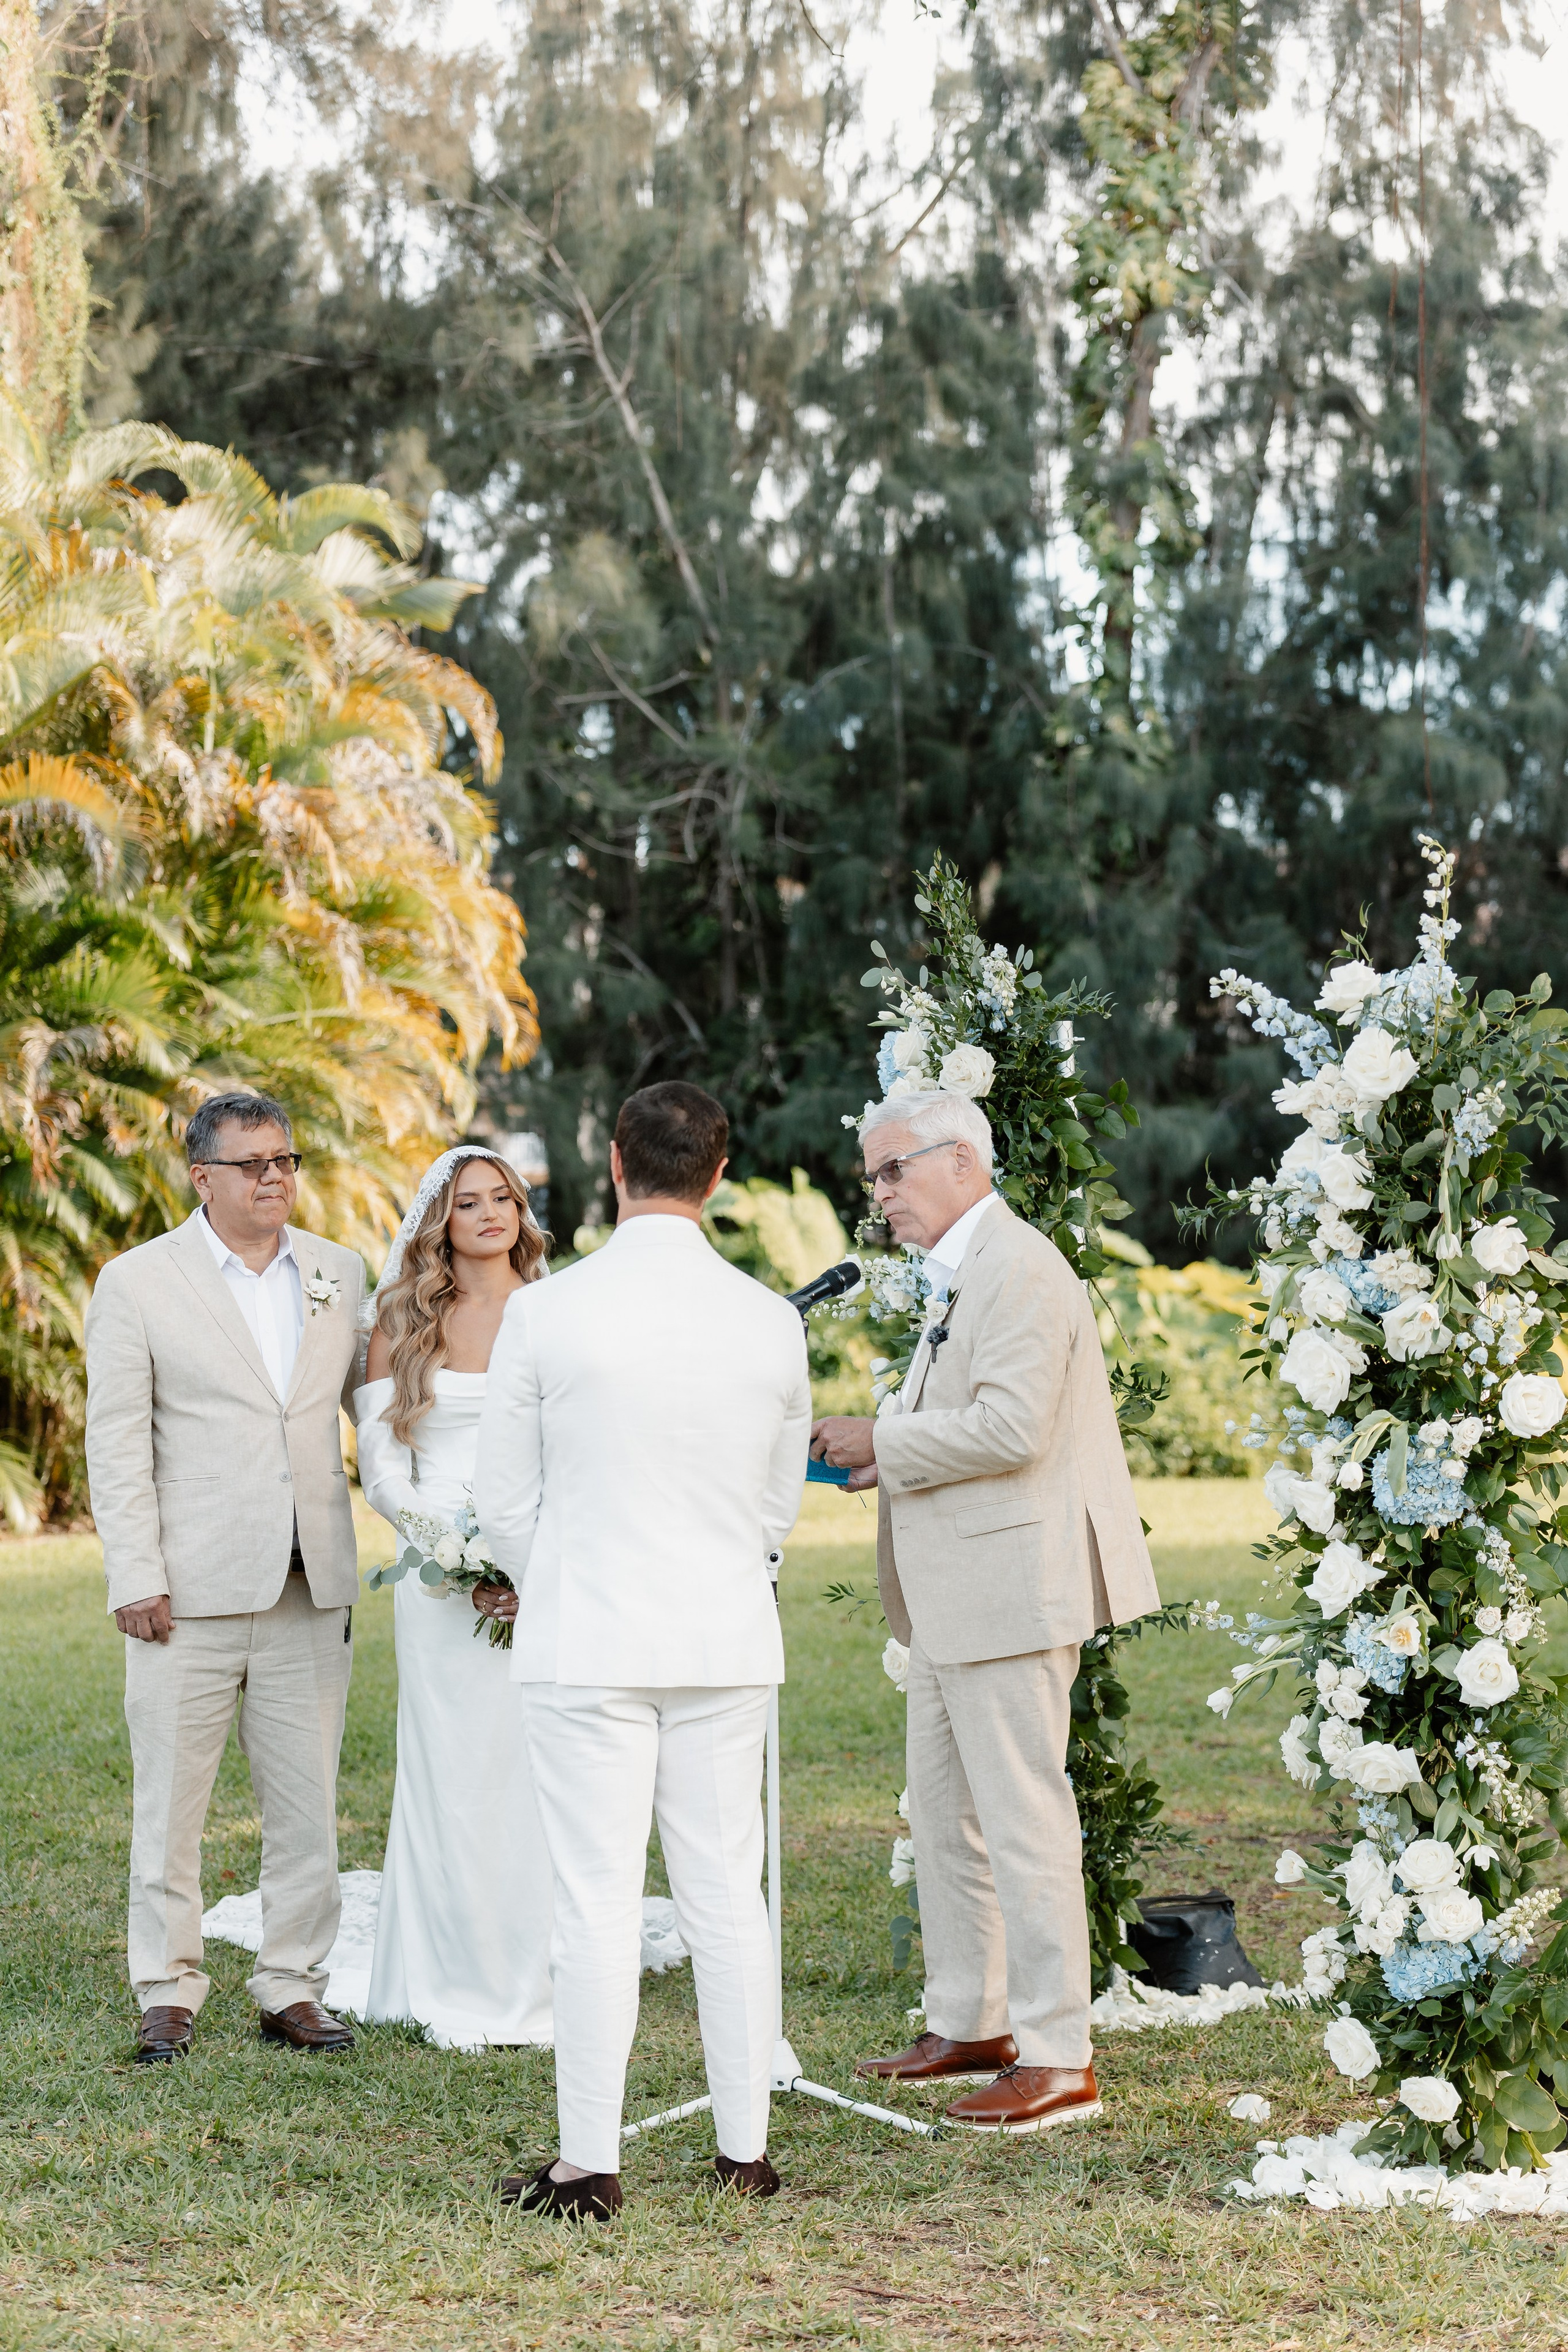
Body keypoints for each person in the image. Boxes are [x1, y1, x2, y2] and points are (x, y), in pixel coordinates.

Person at [474, 1081, 812, 2221]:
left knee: (597, 1902)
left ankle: (590, 2163)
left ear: (617, 1162)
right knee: (727, 1894)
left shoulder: (546, 1312)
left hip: (587, 1636)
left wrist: (561, 1576)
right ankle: (744, 2151)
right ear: (719, 1174)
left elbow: (505, 1501)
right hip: (722, 1633)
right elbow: (777, 1510)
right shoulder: (772, 1318)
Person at [811, 1089, 1159, 2134]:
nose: (880, 1197)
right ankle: (973, 2022)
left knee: (1024, 1819)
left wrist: (881, 1438)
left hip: (1011, 1589)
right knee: (947, 1817)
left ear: (962, 1161)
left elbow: (1012, 1427)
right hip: (956, 1592)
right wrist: (891, 1460)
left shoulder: (1019, 1265)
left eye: (893, 1171)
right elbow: (965, 1418)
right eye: (874, 1176)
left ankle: (1059, 2059)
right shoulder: (966, 1271)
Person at [84, 1092, 366, 2064]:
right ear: (201, 1177)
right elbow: (117, 1442)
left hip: (308, 1583)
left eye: (284, 1159)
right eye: (251, 1164)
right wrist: (136, 1573)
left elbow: (381, 1402)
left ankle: (293, 1985)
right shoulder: (136, 1282)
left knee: (307, 1803)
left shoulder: (340, 1271)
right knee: (170, 1805)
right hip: (186, 1595)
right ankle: (168, 1986)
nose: (274, 1176)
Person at [352, 1147, 555, 2049]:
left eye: (502, 1198)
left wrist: (528, 1560)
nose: (488, 1214)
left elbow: (579, 1443)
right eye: (468, 1202)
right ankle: (440, 1967)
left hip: (546, 1569)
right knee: (449, 1767)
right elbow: (382, 1464)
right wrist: (455, 1557)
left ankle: (534, 1967)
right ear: (441, 1220)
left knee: (534, 1769)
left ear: (521, 1210)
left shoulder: (556, 1312)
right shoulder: (402, 1315)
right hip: (437, 1587)